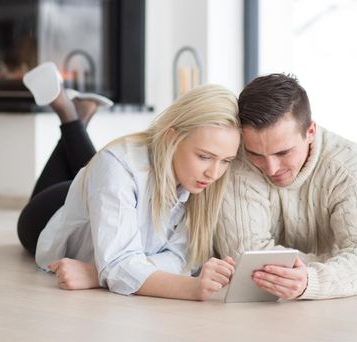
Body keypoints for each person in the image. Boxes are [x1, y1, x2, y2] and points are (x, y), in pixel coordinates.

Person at [17, 62, 241, 301]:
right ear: (171, 137)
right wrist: (191, 288)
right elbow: (118, 264)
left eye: (226, 160)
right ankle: (68, 111)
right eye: (205, 157)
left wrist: (96, 274)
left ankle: (77, 117)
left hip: (102, 189)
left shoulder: (202, 181)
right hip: (47, 212)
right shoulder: (117, 166)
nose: (214, 173)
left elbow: (180, 259)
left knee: (96, 167)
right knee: (104, 165)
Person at [214, 73, 357, 300]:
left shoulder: (350, 165)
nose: (271, 168)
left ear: (310, 132)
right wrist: (345, 264)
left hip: (335, 309)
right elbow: (245, 257)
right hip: (252, 307)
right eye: (256, 154)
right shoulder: (238, 159)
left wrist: (309, 281)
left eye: (283, 152)